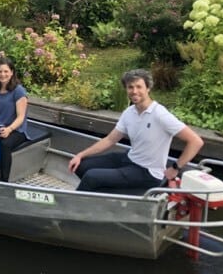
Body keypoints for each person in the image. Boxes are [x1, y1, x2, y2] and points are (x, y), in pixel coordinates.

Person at [68, 68, 203, 193]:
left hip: (148, 172)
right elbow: (110, 140)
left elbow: (196, 141)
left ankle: (71, 205)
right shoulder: (129, 112)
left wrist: (175, 168)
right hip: (130, 159)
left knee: (92, 176)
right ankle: (104, 198)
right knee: (81, 166)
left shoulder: (160, 114)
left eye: (139, 87)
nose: (134, 91)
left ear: (148, 88)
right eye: (130, 87)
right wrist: (80, 155)